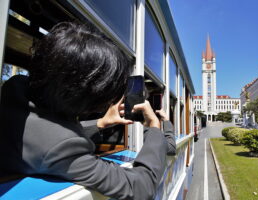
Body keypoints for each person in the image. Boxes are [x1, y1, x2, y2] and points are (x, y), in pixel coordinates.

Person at [0, 22, 169, 200]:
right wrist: (155, 128)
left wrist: (101, 123)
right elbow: (142, 186)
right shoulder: (64, 148)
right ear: (86, 94)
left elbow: (46, 130)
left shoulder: (15, 87)